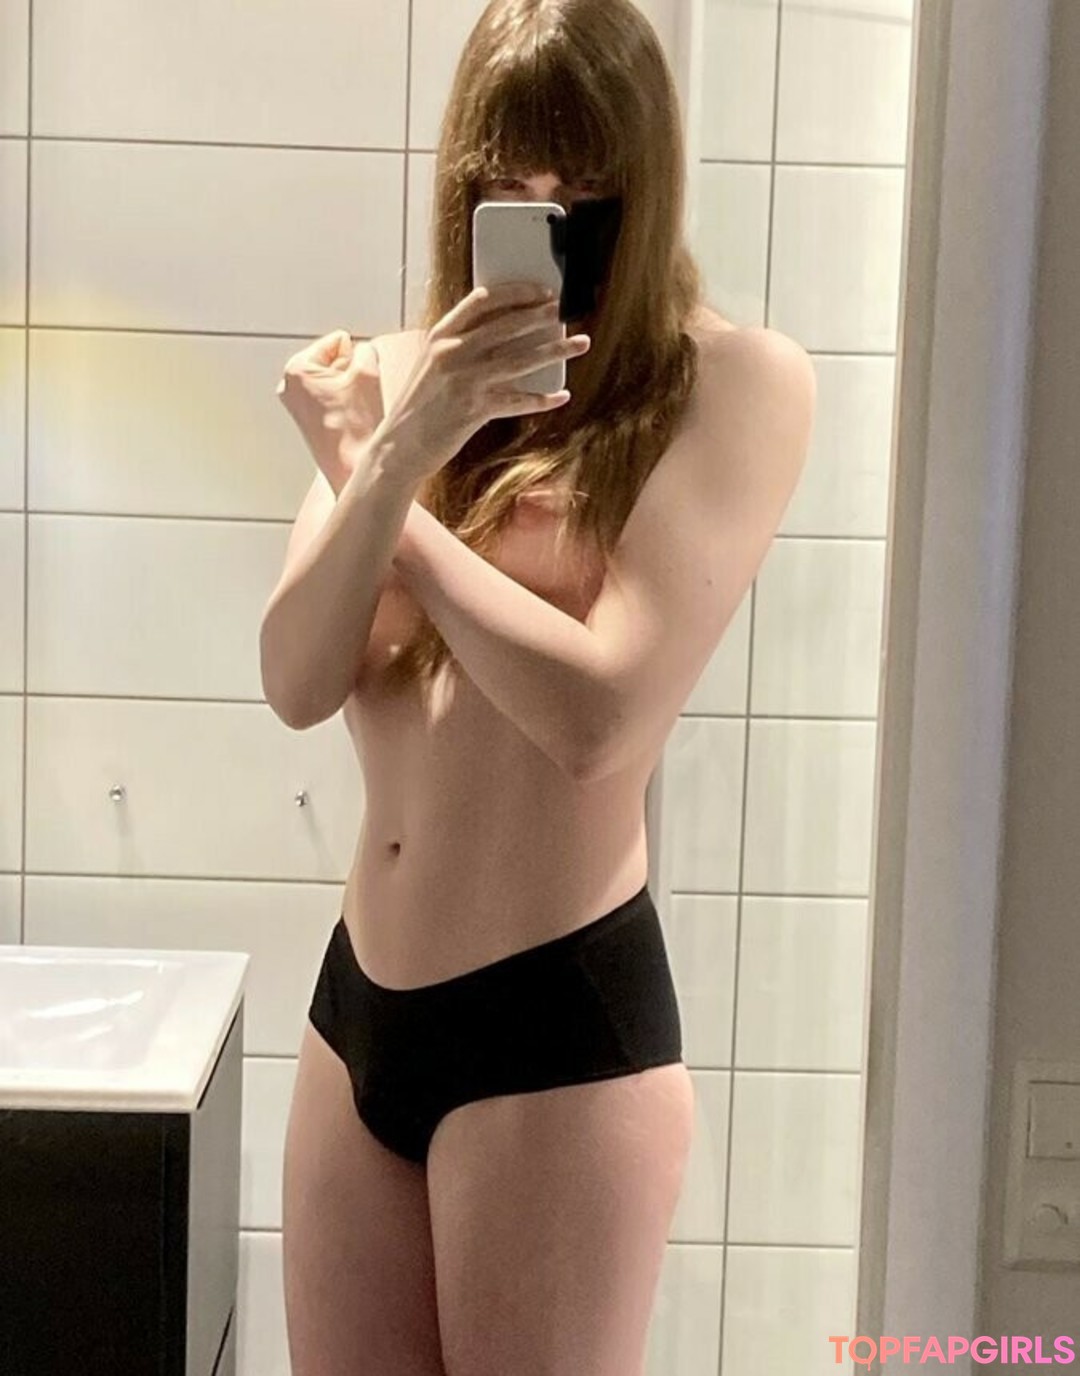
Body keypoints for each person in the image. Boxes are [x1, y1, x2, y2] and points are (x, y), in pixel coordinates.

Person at [262, 1, 816, 1372]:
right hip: (358, 1012)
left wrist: (385, 495)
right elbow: (295, 678)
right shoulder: (394, 388)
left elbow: (599, 715)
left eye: (585, 192)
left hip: (554, 1024)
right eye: (510, 189)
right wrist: (403, 446)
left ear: (647, 184)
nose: (549, 226)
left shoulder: (728, 385)